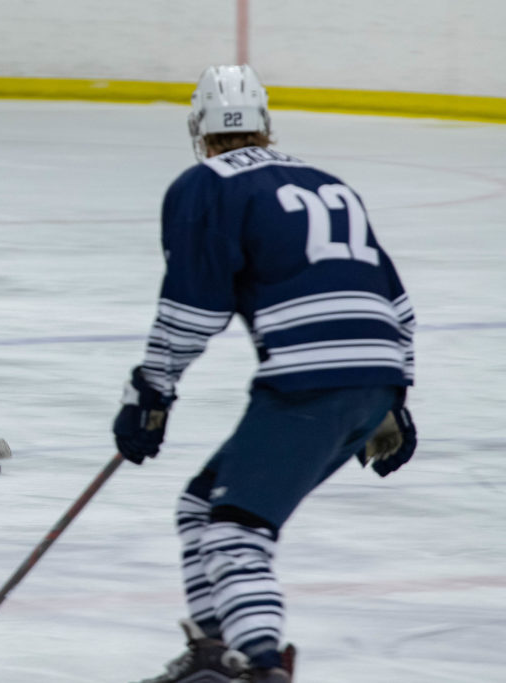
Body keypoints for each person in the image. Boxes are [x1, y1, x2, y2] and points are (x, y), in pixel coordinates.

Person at [113, 65, 417, 683]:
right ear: (266, 126)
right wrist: (396, 399)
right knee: (202, 506)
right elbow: (399, 305)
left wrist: (150, 390)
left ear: (199, 130)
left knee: (236, 530)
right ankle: (214, 657)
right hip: (374, 373)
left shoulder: (205, 186)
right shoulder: (328, 181)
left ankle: (256, 667)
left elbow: (193, 308)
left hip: (310, 381)